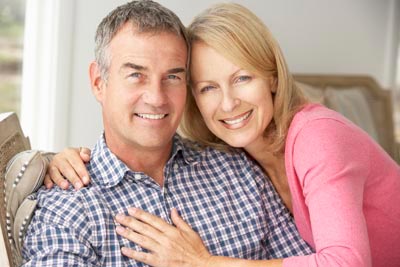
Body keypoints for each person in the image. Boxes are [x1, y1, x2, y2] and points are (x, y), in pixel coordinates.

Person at [49, 2, 400, 267]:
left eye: (242, 78)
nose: (229, 104)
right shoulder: (239, 153)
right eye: (207, 87)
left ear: (273, 76)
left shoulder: (312, 140)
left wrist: (205, 263)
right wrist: (45, 162)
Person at [22, 1, 313, 266]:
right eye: (137, 75)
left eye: (172, 76)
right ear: (99, 82)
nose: (157, 97)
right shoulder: (67, 208)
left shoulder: (238, 170)